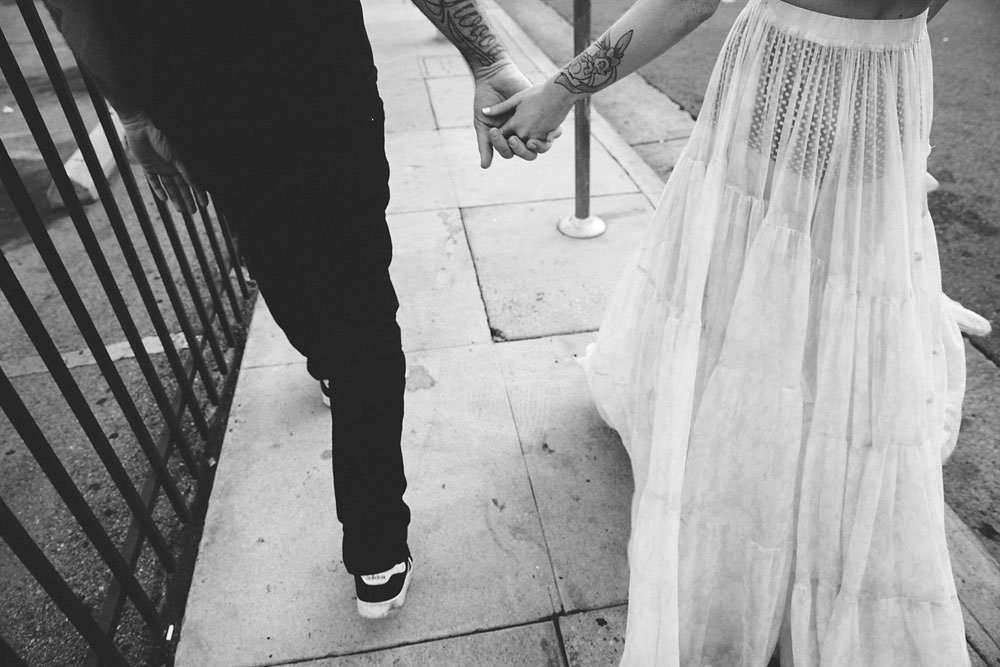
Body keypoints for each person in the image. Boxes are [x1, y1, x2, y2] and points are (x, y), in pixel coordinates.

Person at [485, 0, 991, 663]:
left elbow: (691, 2)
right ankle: (813, 501)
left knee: (748, 291)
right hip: (889, 79)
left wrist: (557, 93)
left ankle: (748, 501)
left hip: (787, 76)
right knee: (840, 294)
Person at [43, 0, 560, 620]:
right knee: (337, 293)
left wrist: (132, 110)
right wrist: (486, 57)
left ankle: (369, 519)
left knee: (304, 271)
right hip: (293, 73)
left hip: (203, 82)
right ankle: (367, 508)